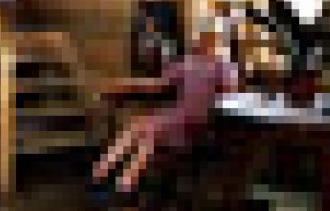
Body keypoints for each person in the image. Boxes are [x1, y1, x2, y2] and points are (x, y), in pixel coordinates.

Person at [92, 25, 242, 197]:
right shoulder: (188, 63)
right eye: (203, 38)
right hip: (179, 114)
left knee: (148, 132)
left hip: (199, 120)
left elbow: (230, 95)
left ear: (218, 42)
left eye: (211, 39)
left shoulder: (223, 66)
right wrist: (126, 85)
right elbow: (157, 84)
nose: (205, 43)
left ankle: (116, 177)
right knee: (141, 130)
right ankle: (110, 173)